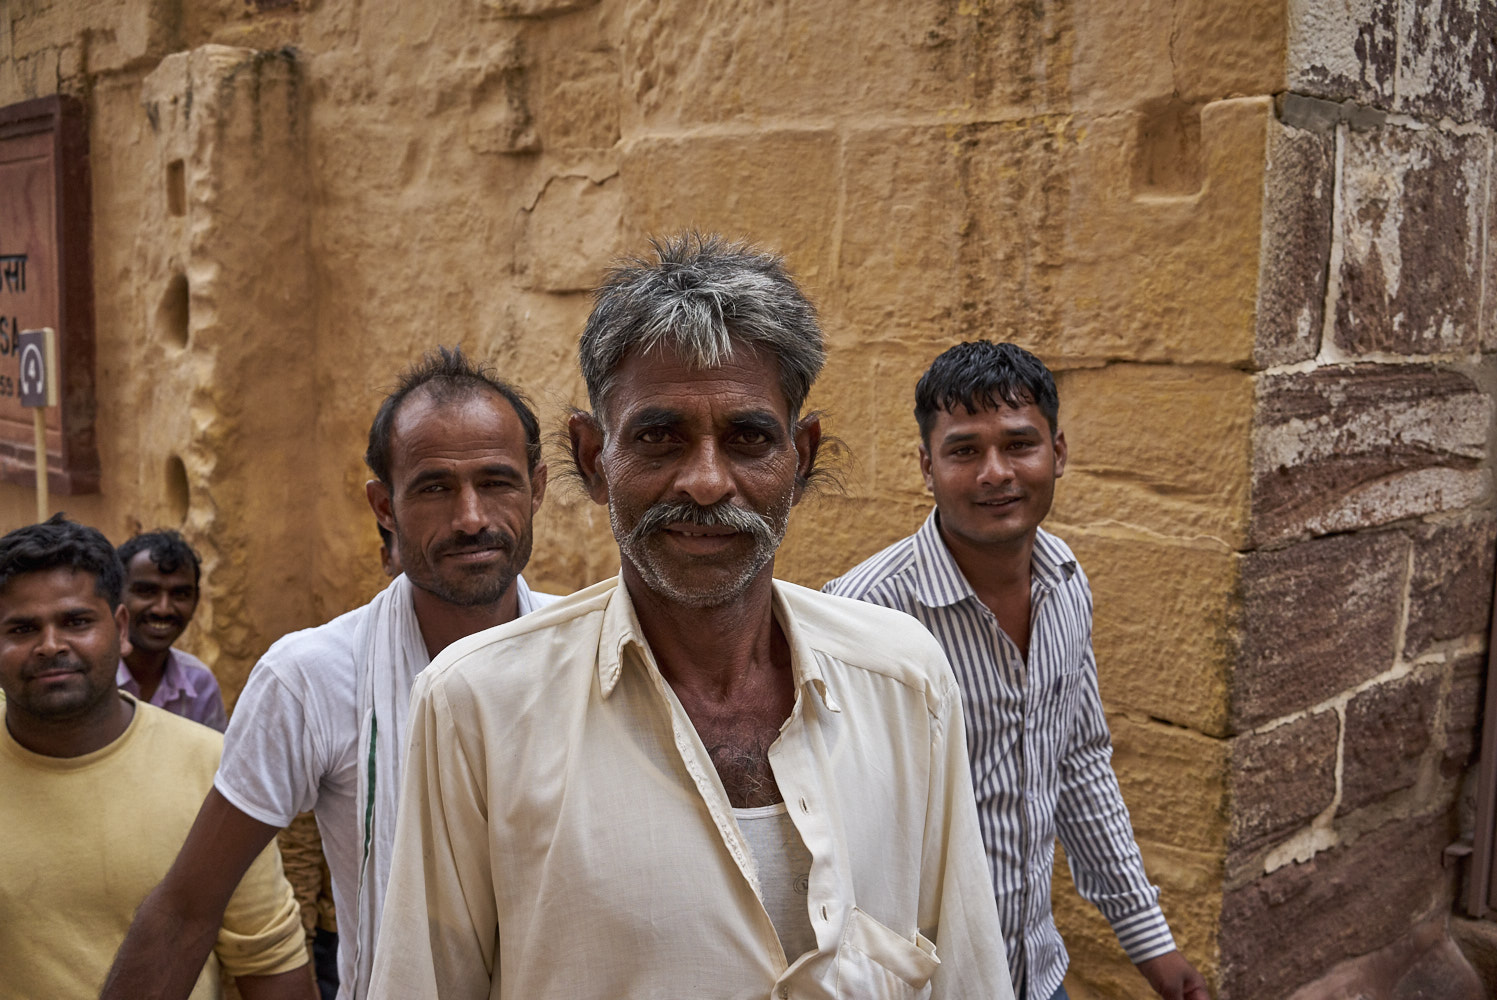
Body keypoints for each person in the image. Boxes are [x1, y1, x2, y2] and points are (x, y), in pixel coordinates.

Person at [368, 233, 1014, 1000]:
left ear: (800, 457)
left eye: (747, 438)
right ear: (592, 457)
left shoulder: (904, 681)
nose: (707, 481)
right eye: (659, 436)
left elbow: (966, 974)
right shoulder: (478, 707)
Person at [102, 347, 553, 1000]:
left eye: (497, 482)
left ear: (536, 488)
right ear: (384, 506)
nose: (471, 517)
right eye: (434, 487)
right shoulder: (311, 677)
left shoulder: (592, 658)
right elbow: (185, 911)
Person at [824, 341, 1209, 1000]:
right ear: (927, 466)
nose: (995, 473)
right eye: (965, 450)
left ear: (1058, 453)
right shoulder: (863, 615)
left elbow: (1080, 765)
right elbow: (821, 830)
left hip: (1037, 972)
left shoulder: (1065, 583)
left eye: (1019, 445)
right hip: (923, 986)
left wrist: (1154, 949)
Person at [0, 515, 312, 1000]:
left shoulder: (212, 767)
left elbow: (269, 965)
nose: (51, 645)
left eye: (76, 621)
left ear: (120, 627)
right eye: (22, 628)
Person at [114, 530, 227, 731]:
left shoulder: (199, 684)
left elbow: (215, 760)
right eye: (147, 591)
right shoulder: (90, 676)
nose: (163, 609)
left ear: (195, 602)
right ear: (115, 596)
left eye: (180, 594)